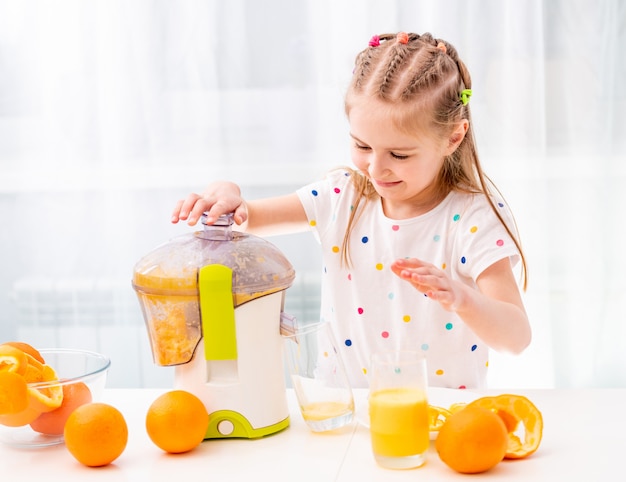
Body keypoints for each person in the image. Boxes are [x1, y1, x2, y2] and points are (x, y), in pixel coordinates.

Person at [171, 32, 531, 389]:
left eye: (399, 155)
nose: (375, 168)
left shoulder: (473, 217)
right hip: (344, 411)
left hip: (442, 419)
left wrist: (462, 298)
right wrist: (227, 193)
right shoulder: (343, 196)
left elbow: (516, 338)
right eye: (362, 145)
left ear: (454, 137)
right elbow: (246, 219)